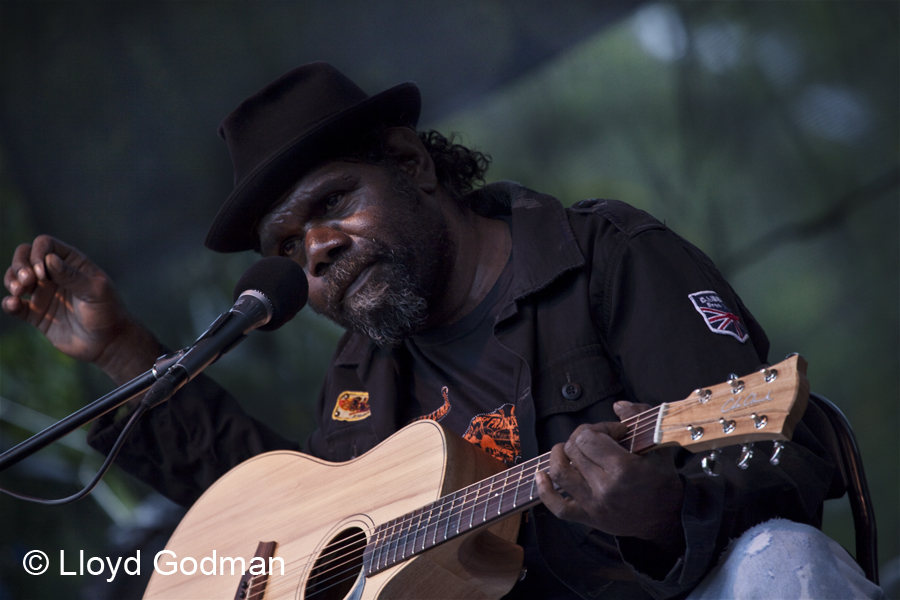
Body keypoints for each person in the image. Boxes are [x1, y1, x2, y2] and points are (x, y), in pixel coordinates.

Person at [2, 62, 884, 599]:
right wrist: (123, 350)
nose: (316, 252)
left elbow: (791, 461)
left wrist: (661, 511)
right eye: (286, 246)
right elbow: (278, 532)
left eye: (332, 204)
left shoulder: (607, 258)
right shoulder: (360, 379)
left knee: (779, 559)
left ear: (414, 166)